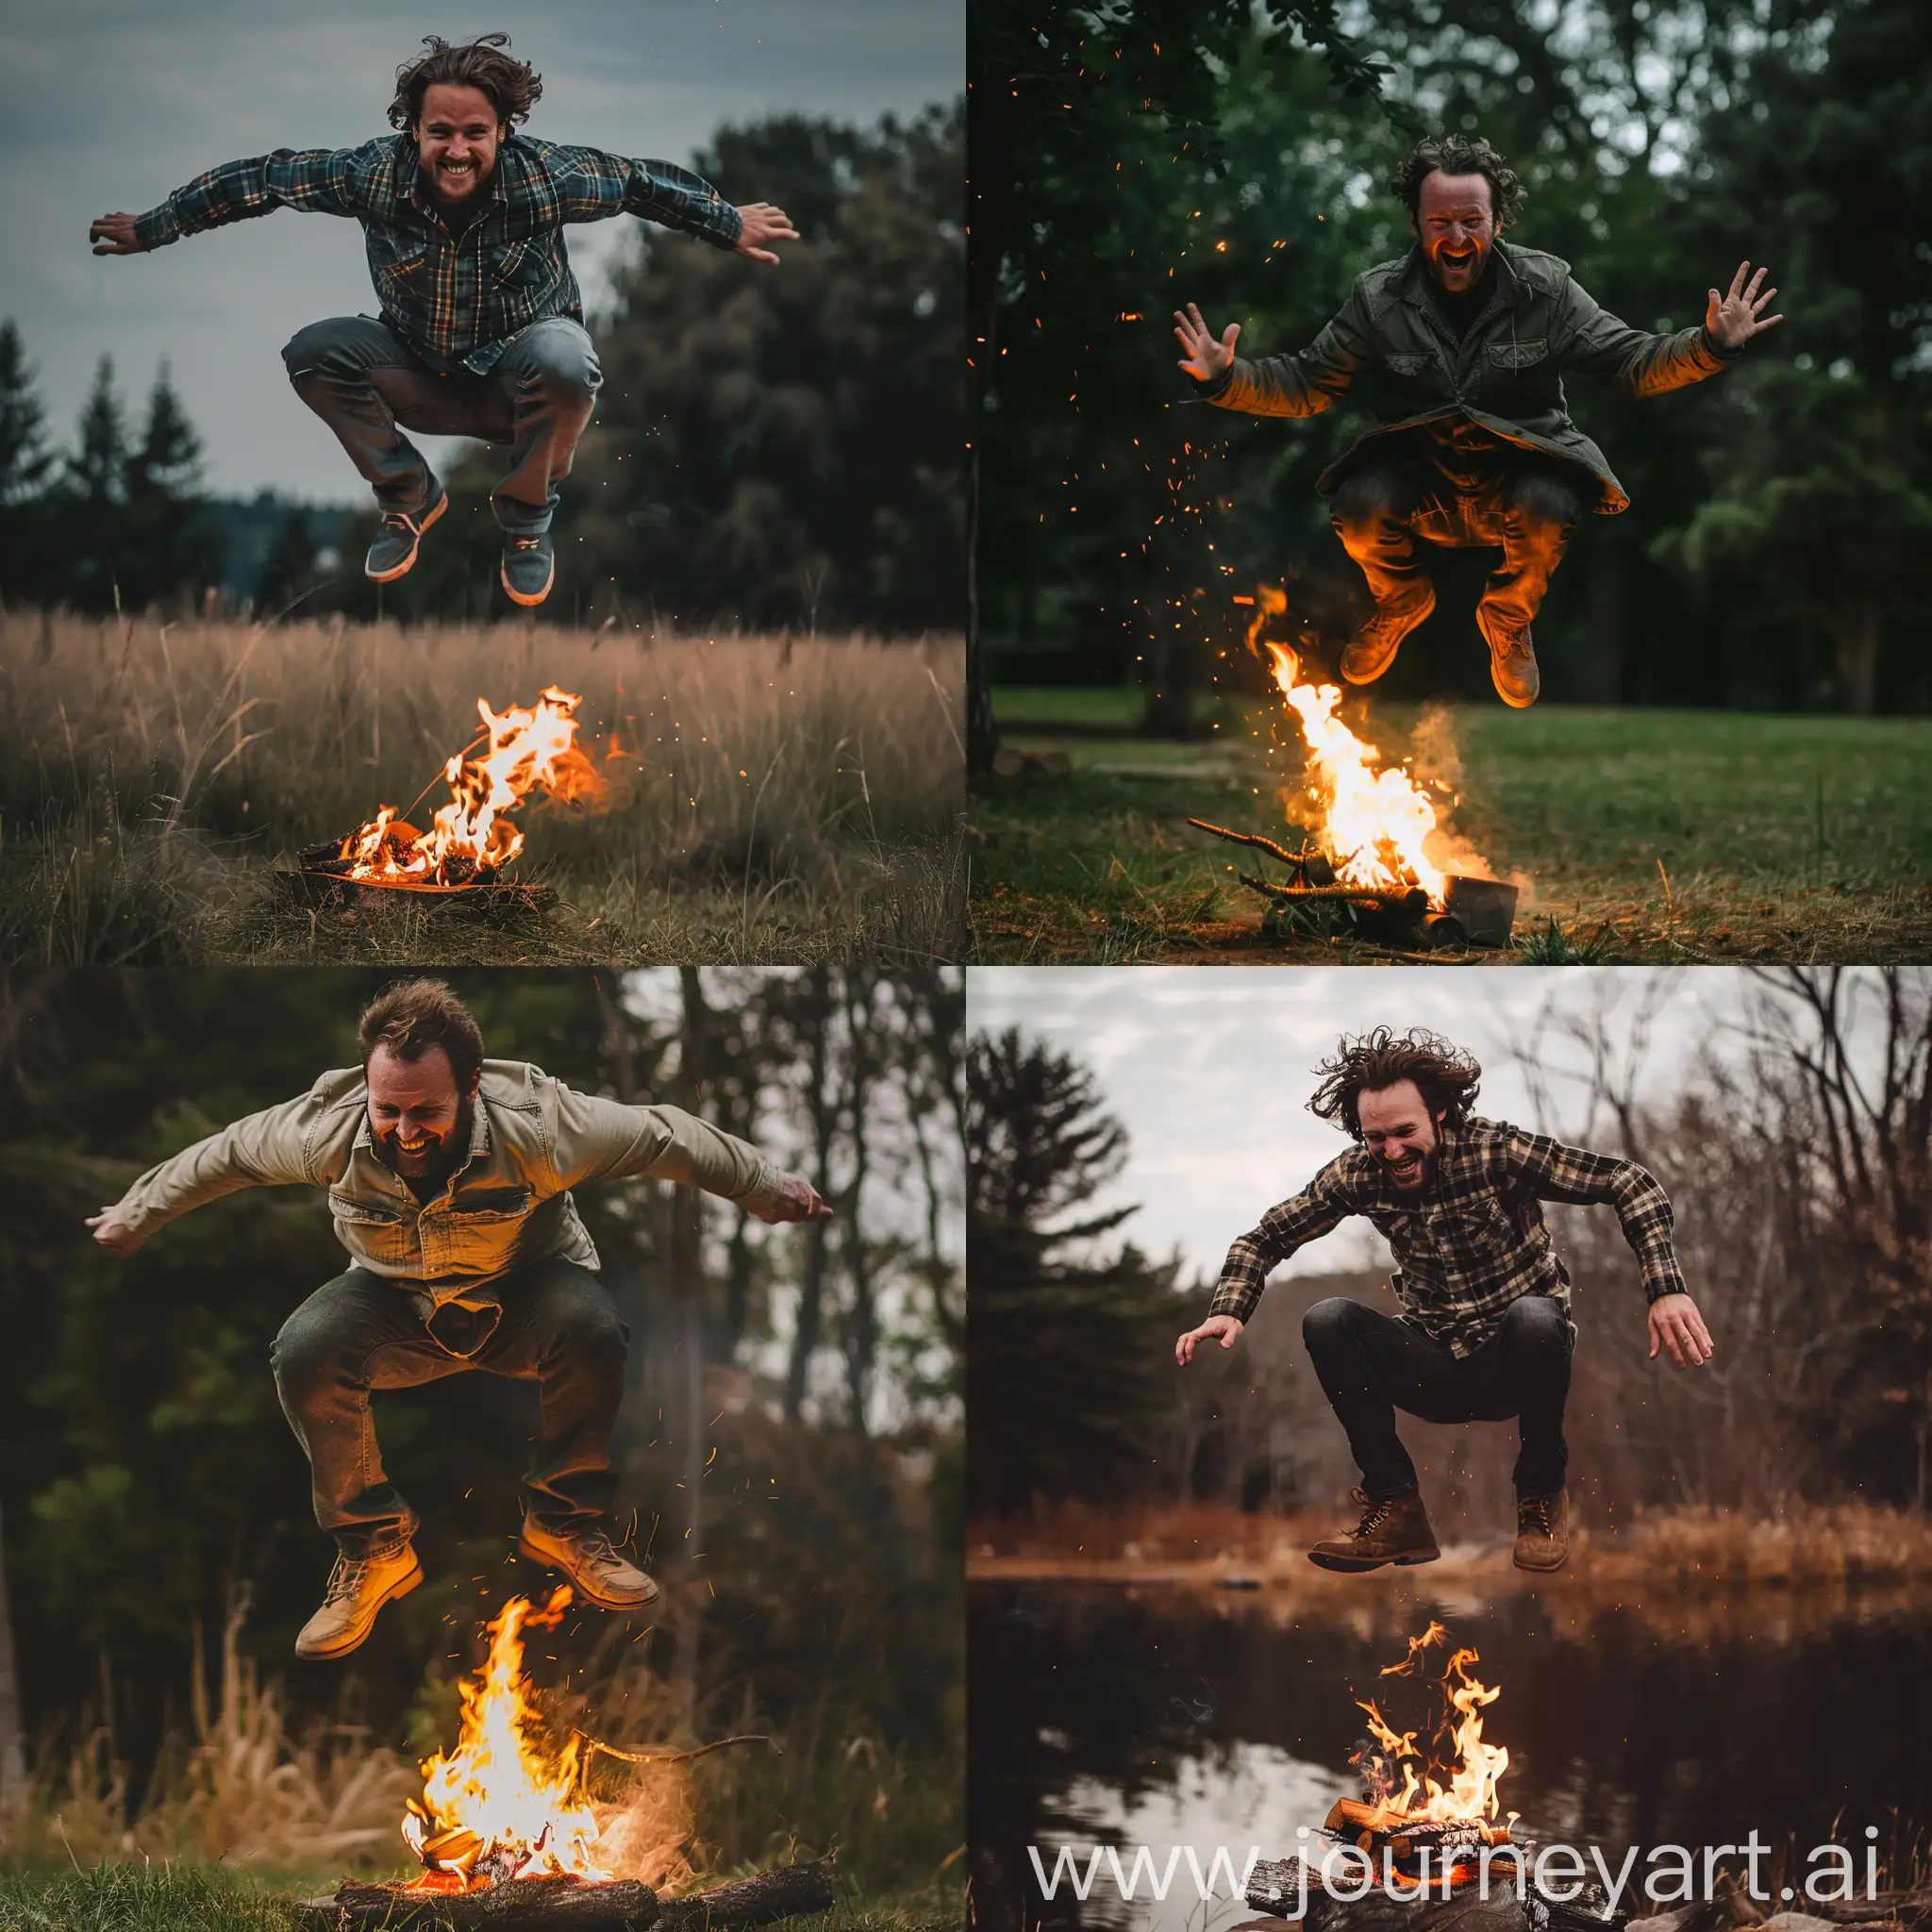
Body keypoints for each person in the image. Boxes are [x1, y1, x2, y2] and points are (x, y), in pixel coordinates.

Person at [86, 977, 830, 1661]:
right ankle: (374, 1550)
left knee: (594, 1327)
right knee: (304, 1348)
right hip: (395, 1303)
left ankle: (566, 1523)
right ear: (368, 1091)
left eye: (426, 1112)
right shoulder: (324, 1131)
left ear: (470, 1087)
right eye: (389, 1109)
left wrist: (767, 1190)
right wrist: (136, 1213)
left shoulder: (541, 1128)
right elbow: (227, 1155)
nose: (404, 1131)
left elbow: (666, 1135)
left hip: (524, 1296)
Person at [88, 33, 798, 608]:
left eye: (474, 133)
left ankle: (525, 524)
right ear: (413, 129)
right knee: (312, 352)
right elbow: (266, 179)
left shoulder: (547, 177)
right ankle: (410, 498)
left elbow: (640, 184)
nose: (456, 150)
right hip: (417, 373)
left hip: (518, 387)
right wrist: (156, 227)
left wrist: (725, 220)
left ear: (503, 132)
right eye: (439, 133)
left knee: (567, 357)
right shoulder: (371, 175)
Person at [1172, 133, 1783, 705]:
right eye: (1441, 222)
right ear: (1415, 222)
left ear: (1497, 221)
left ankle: (1509, 619)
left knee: (1551, 503)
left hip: (1515, 485)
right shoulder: (1378, 298)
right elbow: (1308, 382)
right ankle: (1400, 599)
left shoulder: (1546, 289)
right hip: (1422, 486)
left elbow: (1630, 360)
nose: (1457, 236)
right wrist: (1226, 378)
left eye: (1472, 221)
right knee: (1357, 503)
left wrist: (1710, 347)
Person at [1174, 1026, 1713, 1574]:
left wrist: (1665, 1288)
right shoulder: (1359, 1175)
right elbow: (1263, 1237)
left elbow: (1629, 1182)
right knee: (1327, 1318)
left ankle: (1540, 1500)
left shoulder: (1496, 1152)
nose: (1393, 1151)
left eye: (1405, 1131)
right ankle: (1397, 1509)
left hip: (1517, 1362)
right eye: (1375, 1137)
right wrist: (1228, 1306)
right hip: (1432, 1366)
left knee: (1533, 1314)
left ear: (1440, 1115)